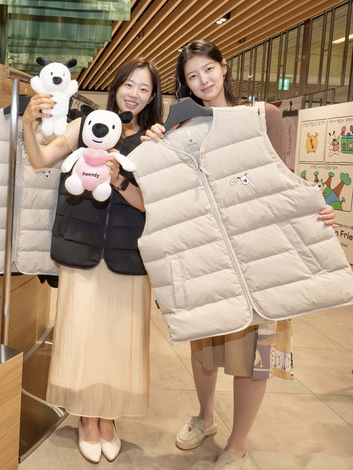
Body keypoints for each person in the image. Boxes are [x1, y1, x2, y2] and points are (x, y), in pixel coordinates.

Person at [142, 40, 337, 470]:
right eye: (192, 76)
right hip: (209, 258)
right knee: (204, 346)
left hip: (263, 256)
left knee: (257, 355)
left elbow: (285, 180)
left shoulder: (264, 116)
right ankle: (205, 416)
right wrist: (156, 139)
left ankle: (238, 443)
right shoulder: (181, 129)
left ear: (224, 67)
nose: (203, 81)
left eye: (208, 69)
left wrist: (316, 209)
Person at [22, 57, 163, 463]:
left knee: (120, 338)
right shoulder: (85, 124)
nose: (134, 94)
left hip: (128, 254)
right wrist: (28, 124)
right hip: (81, 247)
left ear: (152, 97)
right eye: (129, 84)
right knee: (81, 333)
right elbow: (40, 159)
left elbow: (148, 203)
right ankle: (87, 416)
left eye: (144, 89)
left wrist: (118, 179)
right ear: (116, 86)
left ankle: (108, 416)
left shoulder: (152, 141)